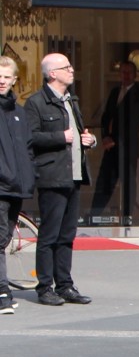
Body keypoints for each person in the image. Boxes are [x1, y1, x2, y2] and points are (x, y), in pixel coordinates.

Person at [25, 52, 96, 306]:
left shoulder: (71, 101)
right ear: (52, 74)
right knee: (50, 235)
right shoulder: (36, 103)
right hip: (52, 177)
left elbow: (78, 134)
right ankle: (45, 287)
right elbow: (30, 138)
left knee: (67, 235)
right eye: (66, 67)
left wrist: (89, 140)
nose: (72, 70)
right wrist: (60, 137)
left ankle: (65, 285)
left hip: (74, 176)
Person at [0, 55, 36, 315]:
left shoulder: (19, 113)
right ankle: (2, 292)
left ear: (14, 80)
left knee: (4, 238)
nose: (1, 81)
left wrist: (28, 176)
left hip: (17, 187)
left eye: (6, 77)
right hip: (1, 185)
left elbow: (27, 149)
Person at [90, 59, 139, 226]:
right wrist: (105, 136)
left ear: (135, 75)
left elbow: (133, 121)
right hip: (111, 147)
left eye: (128, 72)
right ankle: (94, 217)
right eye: (123, 72)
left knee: (128, 183)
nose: (125, 76)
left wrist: (114, 140)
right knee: (105, 181)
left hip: (127, 147)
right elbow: (107, 116)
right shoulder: (115, 92)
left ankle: (127, 218)